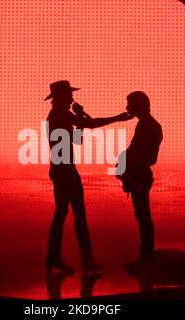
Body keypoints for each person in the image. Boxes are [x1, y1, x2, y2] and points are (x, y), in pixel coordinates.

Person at [45, 80, 133, 273]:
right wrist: (116, 118)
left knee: (62, 215)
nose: (72, 97)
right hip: (65, 171)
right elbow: (90, 125)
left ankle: (53, 258)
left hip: (61, 170)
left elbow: (78, 139)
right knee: (78, 215)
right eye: (69, 94)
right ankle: (85, 260)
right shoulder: (60, 115)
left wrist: (80, 116)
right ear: (60, 97)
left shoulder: (59, 115)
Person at [116, 91, 162, 273]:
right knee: (142, 217)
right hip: (139, 175)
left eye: (130, 104)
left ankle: (146, 259)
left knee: (143, 217)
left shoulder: (147, 126)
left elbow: (144, 155)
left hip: (139, 176)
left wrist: (124, 165)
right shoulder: (147, 125)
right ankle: (145, 257)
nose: (127, 108)